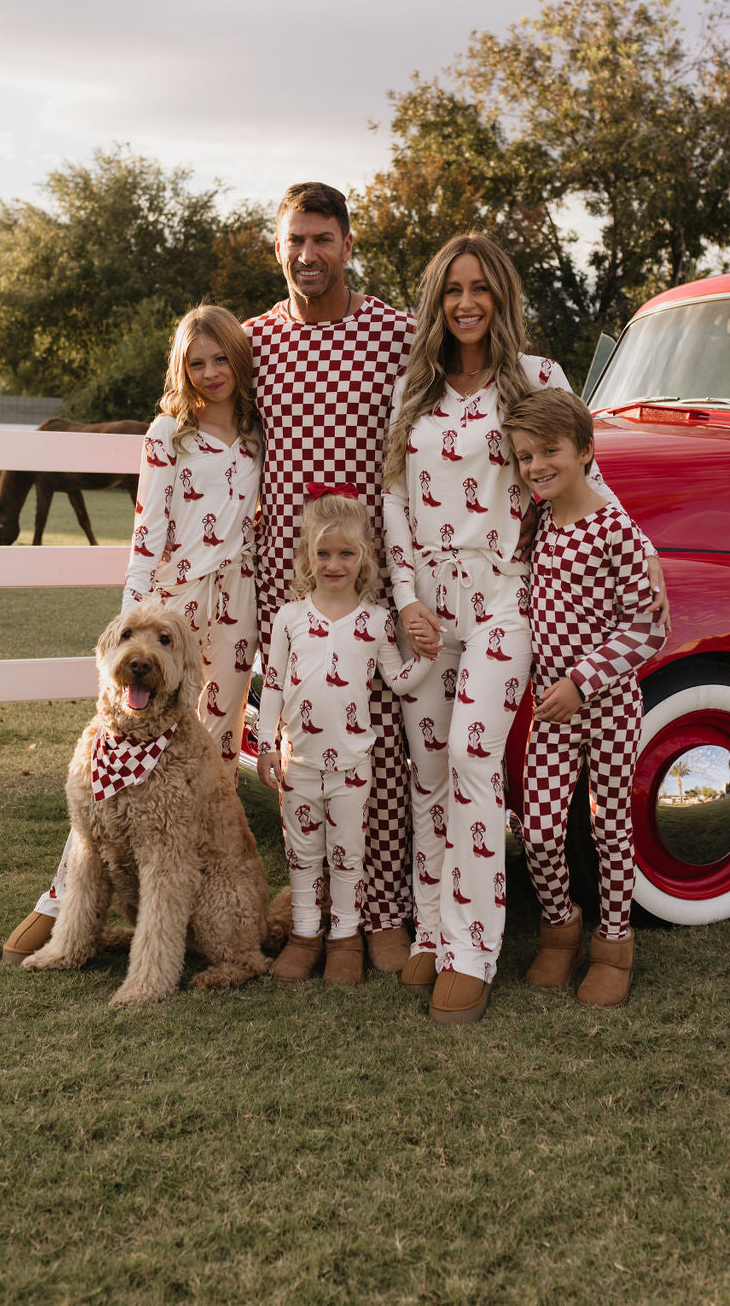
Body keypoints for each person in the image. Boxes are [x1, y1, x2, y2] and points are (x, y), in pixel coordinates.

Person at [383, 233, 666, 1025]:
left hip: (507, 602)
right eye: (451, 290)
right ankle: (434, 929)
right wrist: (406, 597)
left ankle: (474, 947)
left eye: (480, 288)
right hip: (429, 611)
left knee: (476, 755)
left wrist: (638, 557)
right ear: (437, 302)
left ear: (501, 297)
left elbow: (586, 477)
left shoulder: (537, 378)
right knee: (429, 766)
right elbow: (393, 502)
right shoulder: (414, 392)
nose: (466, 303)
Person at [2, 305, 261, 963]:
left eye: (221, 358)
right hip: (172, 608)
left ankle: (194, 905)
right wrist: (127, 638)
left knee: (214, 760)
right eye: (196, 361)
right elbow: (146, 539)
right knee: (109, 762)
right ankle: (60, 900)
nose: (210, 372)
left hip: (233, 614)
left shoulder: (261, 434)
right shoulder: (168, 433)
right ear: (182, 367)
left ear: (238, 359)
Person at [246, 182, 421, 974]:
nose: (308, 254)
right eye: (295, 240)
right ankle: (310, 913)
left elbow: (492, 379)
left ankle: (379, 910)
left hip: (368, 578)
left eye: (323, 238)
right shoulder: (254, 343)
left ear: (348, 243)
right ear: (276, 246)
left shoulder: (392, 331)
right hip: (286, 579)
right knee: (300, 738)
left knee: (374, 739)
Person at [503, 388, 667, 1007]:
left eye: (550, 451)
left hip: (608, 707)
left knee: (611, 826)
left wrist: (582, 681)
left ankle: (615, 944)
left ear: (586, 452)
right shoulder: (539, 522)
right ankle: (560, 929)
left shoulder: (615, 531)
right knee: (541, 831)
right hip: (551, 709)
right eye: (525, 457)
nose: (537, 465)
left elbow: (649, 627)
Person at [256, 489, 435, 985]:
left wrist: (428, 657)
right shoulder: (289, 619)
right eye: (324, 553)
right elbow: (272, 685)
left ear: (364, 559)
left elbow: (397, 682)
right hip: (300, 763)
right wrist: (267, 745)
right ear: (307, 557)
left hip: (353, 767)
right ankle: (304, 937)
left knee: (347, 855)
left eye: (346, 553)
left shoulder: (375, 622)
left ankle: (345, 940)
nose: (335, 563)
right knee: (303, 854)